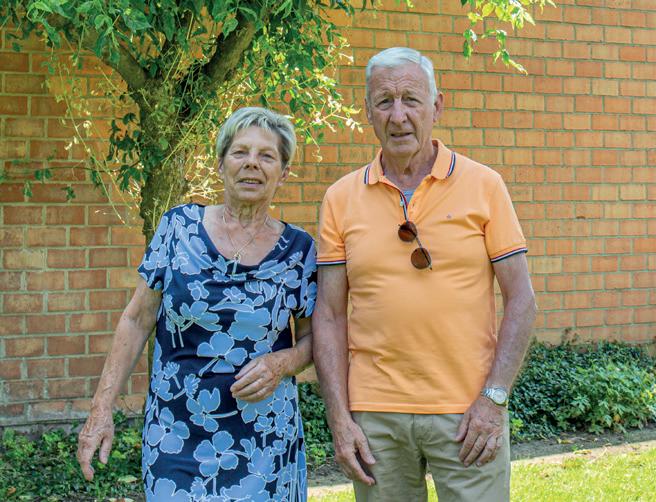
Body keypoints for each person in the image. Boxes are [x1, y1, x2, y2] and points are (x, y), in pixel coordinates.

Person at [313, 47, 537, 502]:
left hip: (468, 413)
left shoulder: (484, 186)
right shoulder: (340, 198)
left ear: (437, 106)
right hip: (375, 416)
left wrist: (494, 399)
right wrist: (339, 417)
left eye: (411, 100)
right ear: (368, 112)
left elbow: (522, 300)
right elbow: (330, 315)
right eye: (384, 101)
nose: (398, 116)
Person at [77, 107, 317, 501]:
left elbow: (314, 339)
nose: (252, 164)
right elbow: (136, 320)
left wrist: (283, 363)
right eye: (240, 152)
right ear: (220, 164)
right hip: (176, 436)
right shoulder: (178, 228)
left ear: (284, 172)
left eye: (266, 156)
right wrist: (101, 409)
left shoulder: (299, 251)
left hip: (266, 442)